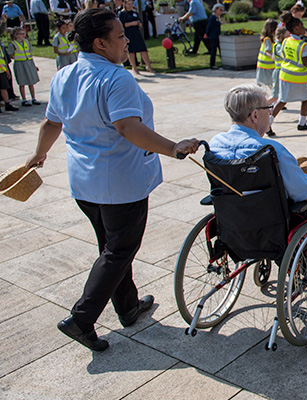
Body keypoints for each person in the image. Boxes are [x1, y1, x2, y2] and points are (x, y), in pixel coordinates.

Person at [24, 8, 199, 352]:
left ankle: (128, 306)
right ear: (101, 43)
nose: (126, 41)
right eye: (120, 36)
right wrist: (172, 148)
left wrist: (39, 152)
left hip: (84, 182)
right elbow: (128, 127)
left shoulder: (65, 75)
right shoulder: (117, 78)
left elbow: (52, 122)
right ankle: (82, 317)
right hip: (119, 183)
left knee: (112, 248)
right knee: (119, 250)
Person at [210, 84, 307, 207]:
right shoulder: (270, 151)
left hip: (230, 219)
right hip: (271, 220)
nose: (270, 112)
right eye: (268, 108)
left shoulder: (214, 144)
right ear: (255, 115)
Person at [269, 13, 307, 135]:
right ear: (295, 28)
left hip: (285, 75)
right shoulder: (302, 44)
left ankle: (268, 123)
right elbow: (305, 62)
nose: (304, 28)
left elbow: (284, 56)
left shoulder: (285, 41)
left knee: (282, 100)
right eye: (302, 26)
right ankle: (302, 123)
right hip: (299, 77)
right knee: (305, 99)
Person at [118, 0, 155, 74]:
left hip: (137, 32)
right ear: (124, 4)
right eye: (128, 4)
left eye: (131, 4)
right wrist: (132, 23)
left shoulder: (134, 12)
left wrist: (138, 23)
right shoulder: (122, 13)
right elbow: (123, 25)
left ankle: (148, 66)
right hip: (129, 33)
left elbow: (139, 20)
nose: (130, 5)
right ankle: (134, 67)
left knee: (143, 49)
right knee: (131, 51)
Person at [8, 27, 41, 107]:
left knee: (31, 81)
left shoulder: (26, 42)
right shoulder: (13, 44)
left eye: (24, 34)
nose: (23, 36)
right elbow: (11, 55)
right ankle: (24, 99)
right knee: (22, 82)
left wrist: (34, 65)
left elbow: (30, 54)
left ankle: (33, 98)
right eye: (21, 34)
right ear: (16, 35)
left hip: (28, 63)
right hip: (20, 64)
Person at [269, 26, 289, 107]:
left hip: (282, 72)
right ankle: (261, 107)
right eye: (287, 34)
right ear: (282, 35)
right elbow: (284, 55)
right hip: (278, 72)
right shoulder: (278, 46)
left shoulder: (279, 45)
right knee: (275, 96)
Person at [256, 19, 277, 87]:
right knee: (262, 83)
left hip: (267, 65)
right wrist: (273, 57)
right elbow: (267, 52)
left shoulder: (270, 39)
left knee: (264, 82)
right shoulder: (267, 40)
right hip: (265, 66)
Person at [204, 3, 223, 69]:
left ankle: (223, 62)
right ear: (216, 10)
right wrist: (206, 33)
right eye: (220, 10)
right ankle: (212, 64)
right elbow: (209, 26)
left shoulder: (217, 18)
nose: (221, 11)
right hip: (213, 36)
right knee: (213, 50)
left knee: (221, 50)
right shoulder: (213, 17)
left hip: (217, 36)